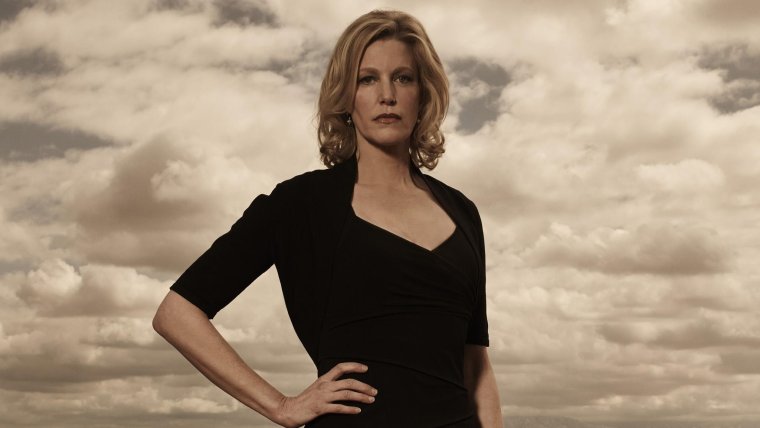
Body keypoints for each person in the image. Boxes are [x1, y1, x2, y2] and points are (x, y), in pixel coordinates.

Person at [152, 9, 502, 428]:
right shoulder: (301, 204)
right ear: (345, 97)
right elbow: (176, 313)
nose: (387, 95)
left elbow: (476, 364)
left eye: (403, 78)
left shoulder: (462, 211)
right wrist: (281, 406)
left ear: (424, 94)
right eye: (367, 79)